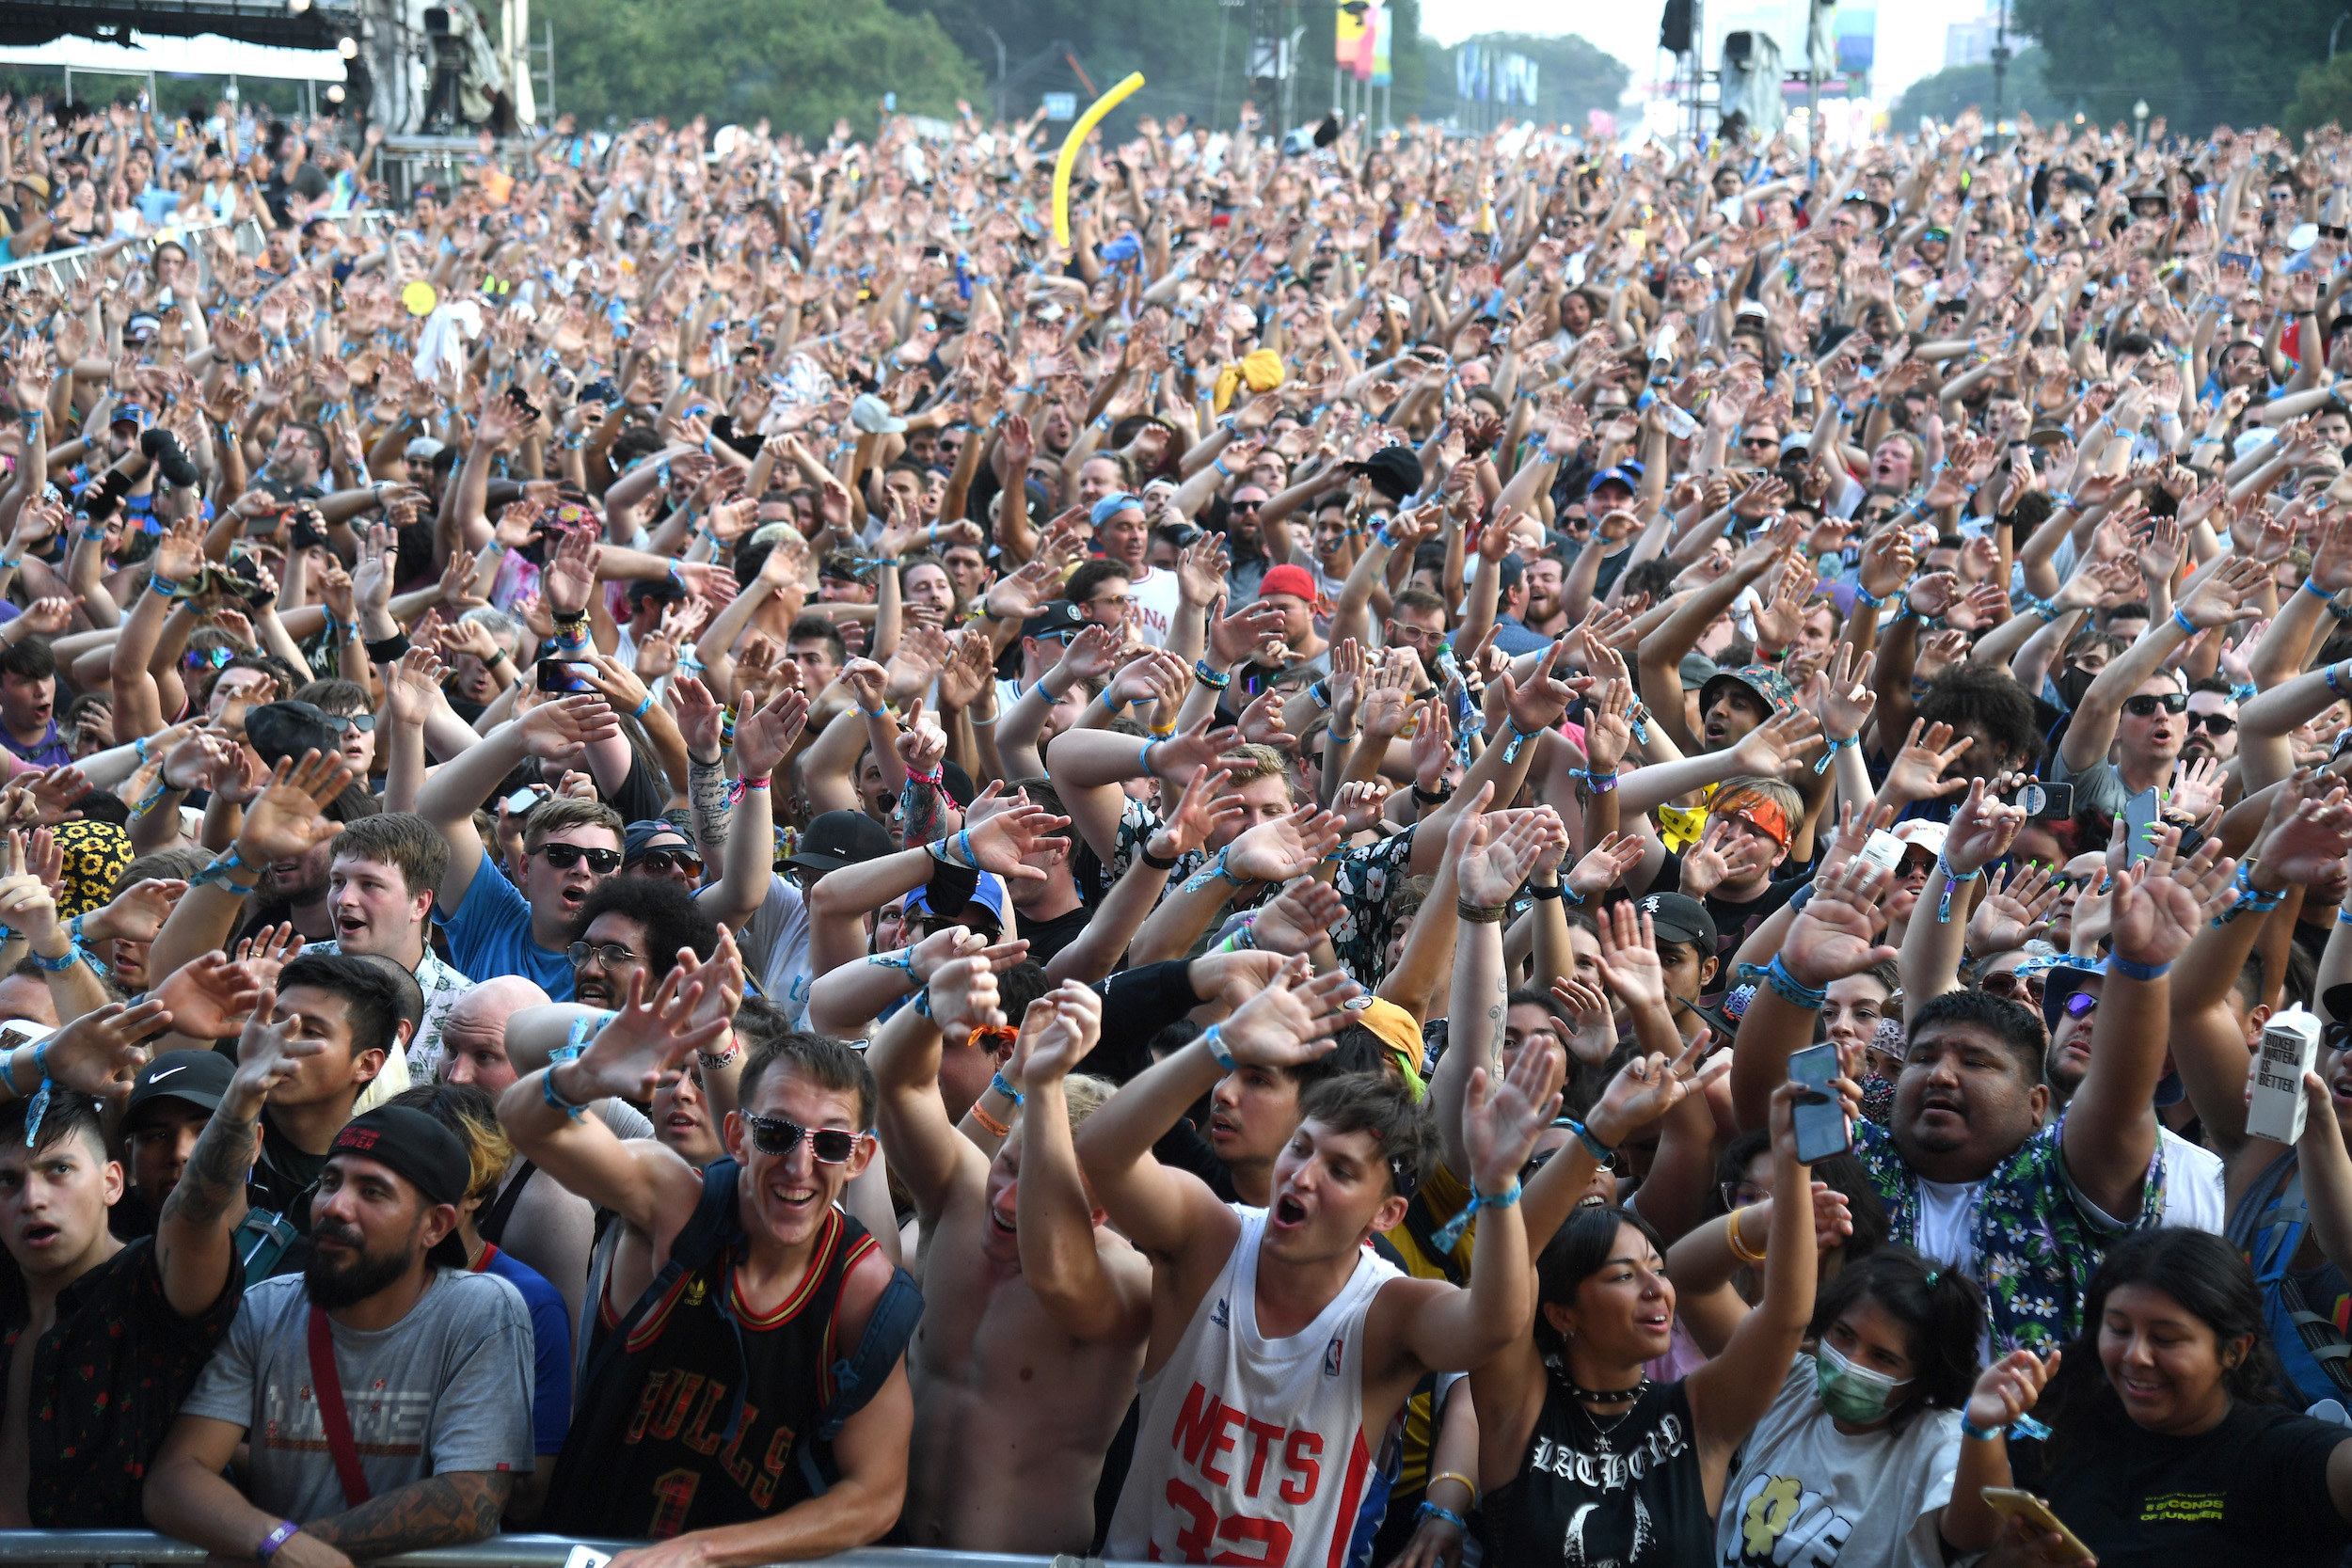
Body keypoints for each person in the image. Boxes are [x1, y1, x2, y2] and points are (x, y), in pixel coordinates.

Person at [1077, 942, 1560, 1567]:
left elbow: (1493, 1324)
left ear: (1386, 1214)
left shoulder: (1386, 1309)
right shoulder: (1213, 1236)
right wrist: (1220, 1042)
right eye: (1300, 1148)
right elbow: (1103, 1154)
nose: (1302, 1176)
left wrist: (1498, 1188)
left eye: (1339, 1169)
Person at [497, 957, 922, 1560]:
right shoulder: (680, 1203)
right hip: (605, 1548)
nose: (799, 1168)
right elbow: (524, 1124)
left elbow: (876, 1496)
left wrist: (704, 1553)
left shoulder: (862, 1285)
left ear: (858, 1158)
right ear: (738, 1135)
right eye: (776, 1133)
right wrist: (585, 1074)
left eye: (828, 1143)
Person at [144, 1104, 535, 1562]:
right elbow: (174, 1478)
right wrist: (276, 1544)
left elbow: (470, 1502)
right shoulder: (265, 1309)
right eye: (329, 1182)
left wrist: (293, 1548)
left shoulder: (481, 1312)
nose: (335, 1206)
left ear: (434, 1226)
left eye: (372, 1192)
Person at [1968, 1228, 2352, 1567]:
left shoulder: (2280, 1455)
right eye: (2118, 1329)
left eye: (2166, 1338)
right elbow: (1965, 1542)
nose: (2136, 1355)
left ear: (2234, 1350)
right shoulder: (2054, 1432)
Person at [1717, 1247, 2002, 1567]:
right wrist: (1760, 1224)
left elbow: (1975, 1534)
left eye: (1882, 1357)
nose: (1849, 1364)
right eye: (1843, 1334)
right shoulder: (1791, 1386)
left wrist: (1981, 1428)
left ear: (1923, 1378)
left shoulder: (1939, 1445)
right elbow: (1695, 1286)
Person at [389, 1082, 571, 1525]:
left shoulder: (530, 1304)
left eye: (424, 1176)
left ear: (476, 1192)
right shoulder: (341, 1278)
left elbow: (532, 1493)